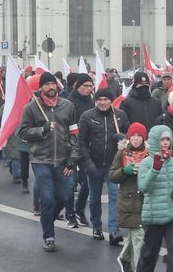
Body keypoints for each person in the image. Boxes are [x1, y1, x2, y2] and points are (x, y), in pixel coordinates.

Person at [18, 72, 80, 252]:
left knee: (65, 196)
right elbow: (22, 133)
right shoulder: (31, 108)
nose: (51, 87)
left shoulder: (67, 106)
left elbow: (75, 134)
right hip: (41, 160)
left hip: (63, 160)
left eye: (54, 84)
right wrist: (42, 130)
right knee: (46, 198)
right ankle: (49, 237)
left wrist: (73, 158)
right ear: (41, 88)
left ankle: (47, 219)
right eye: (47, 85)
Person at [78, 87, 130, 244]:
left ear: (111, 101)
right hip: (94, 163)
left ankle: (114, 231)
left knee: (115, 196)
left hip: (113, 164)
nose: (102, 102)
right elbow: (81, 142)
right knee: (94, 197)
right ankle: (97, 226)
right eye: (99, 99)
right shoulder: (87, 116)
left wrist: (123, 137)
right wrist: (87, 163)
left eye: (106, 99)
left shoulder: (119, 115)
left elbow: (130, 135)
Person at [136, 125, 173, 272]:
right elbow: (143, 187)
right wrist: (155, 170)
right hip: (154, 215)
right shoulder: (146, 163)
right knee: (150, 253)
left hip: (172, 214)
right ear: (154, 141)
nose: (165, 142)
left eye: (168, 139)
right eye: (162, 139)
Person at [109, 122, 148, 272]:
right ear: (129, 137)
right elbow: (112, 176)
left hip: (144, 200)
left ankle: (124, 258)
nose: (136, 139)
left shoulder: (149, 154)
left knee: (136, 234)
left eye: (139, 136)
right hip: (128, 201)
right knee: (139, 237)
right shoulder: (122, 153)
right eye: (133, 136)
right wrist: (125, 171)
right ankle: (140, 268)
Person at [65, 73, 96, 228]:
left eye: (91, 86)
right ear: (78, 86)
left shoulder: (92, 102)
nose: (89, 89)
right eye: (86, 86)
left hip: (86, 148)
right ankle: (69, 214)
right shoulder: (69, 102)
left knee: (87, 183)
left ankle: (79, 209)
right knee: (70, 184)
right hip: (71, 148)